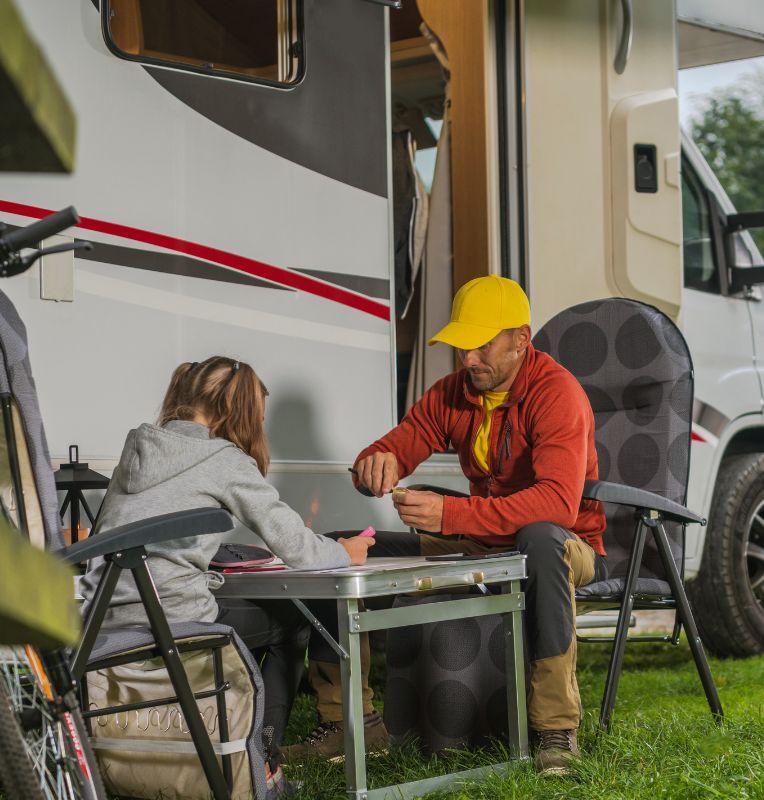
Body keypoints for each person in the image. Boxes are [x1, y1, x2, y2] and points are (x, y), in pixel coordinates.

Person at [289, 276, 607, 774]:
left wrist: (450, 514)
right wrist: (376, 464)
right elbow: (400, 442)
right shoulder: (455, 393)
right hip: (480, 541)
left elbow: (557, 506)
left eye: (481, 344)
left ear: (521, 340)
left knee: (540, 539)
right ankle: (348, 723)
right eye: (462, 345)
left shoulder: (556, 394)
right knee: (336, 549)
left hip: (567, 547)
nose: (469, 358)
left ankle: (555, 731)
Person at [80, 356, 374, 788]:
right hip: (174, 623)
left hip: (104, 623)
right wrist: (346, 551)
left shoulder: (137, 447)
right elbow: (298, 547)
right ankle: (262, 760)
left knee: (239, 612)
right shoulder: (224, 458)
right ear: (237, 410)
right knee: (292, 620)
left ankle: (230, 728)